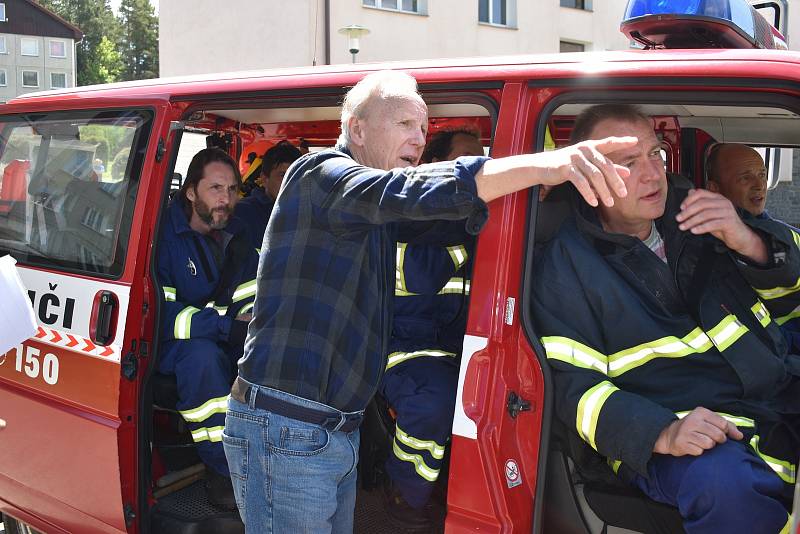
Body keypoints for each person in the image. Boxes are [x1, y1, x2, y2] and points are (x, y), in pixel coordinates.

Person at [223, 70, 637, 533]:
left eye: (422, 128)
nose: (418, 140)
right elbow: (416, 191)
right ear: (357, 128)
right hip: (287, 429)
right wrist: (546, 165)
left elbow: (443, 218)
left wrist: (527, 190)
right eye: (403, 124)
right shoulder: (320, 176)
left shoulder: (370, 209)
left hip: (331, 432)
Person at [532, 104, 800, 533]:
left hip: (770, 394)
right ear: (586, 176)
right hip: (672, 427)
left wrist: (750, 241)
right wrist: (661, 432)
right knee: (724, 487)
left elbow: (789, 298)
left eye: (655, 154)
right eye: (628, 163)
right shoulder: (566, 267)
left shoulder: (698, 213)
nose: (653, 174)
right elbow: (572, 390)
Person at [380, 128, 484, 530]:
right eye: (468, 162)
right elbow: (423, 276)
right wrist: (471, 228)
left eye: (484, 159)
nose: (481, 170)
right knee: (434, 401)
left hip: (457, 345)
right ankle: (406, 492)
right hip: (403, 347)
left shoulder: (470, 218)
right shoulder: (408, 215)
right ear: (436, 169)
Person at [157, 148, 258, 510]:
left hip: (221, 331)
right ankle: (223, 470)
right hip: (172, 344)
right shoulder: (163, 237)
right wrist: (224, 327)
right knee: (203, 360)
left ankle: (270, 455)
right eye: (215, 188)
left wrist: (253, 324)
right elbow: (163, 315)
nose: (225, 200)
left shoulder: (238, 231)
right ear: (190, 192)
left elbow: (249, 290)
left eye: (232, 190)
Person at [707, 143, 800, 353]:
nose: (759, 185)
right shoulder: (701, 247)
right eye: (745, 177)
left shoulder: (785, 234)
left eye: (762, 174)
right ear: (714, 189)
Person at [234, 141, 302, 249]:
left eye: (296, 175)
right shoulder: (243, 212)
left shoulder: (308, 211)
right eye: (283, 175)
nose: (290, 182)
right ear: (265, 179)